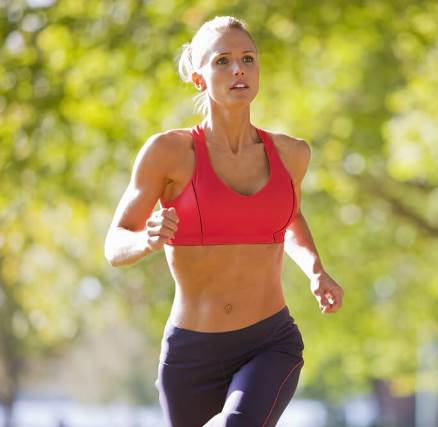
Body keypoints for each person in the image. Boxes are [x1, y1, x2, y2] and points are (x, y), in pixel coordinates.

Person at [103, 15, 344, 427]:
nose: (239, 69)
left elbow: (290, 217)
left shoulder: (291, 154)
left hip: (269, 342)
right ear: (198, 78)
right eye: (222, 61)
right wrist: (147, 238)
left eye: (248, 59)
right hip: (190, 354)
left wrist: (316, 270)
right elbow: (114, 244)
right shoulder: (169, 153)